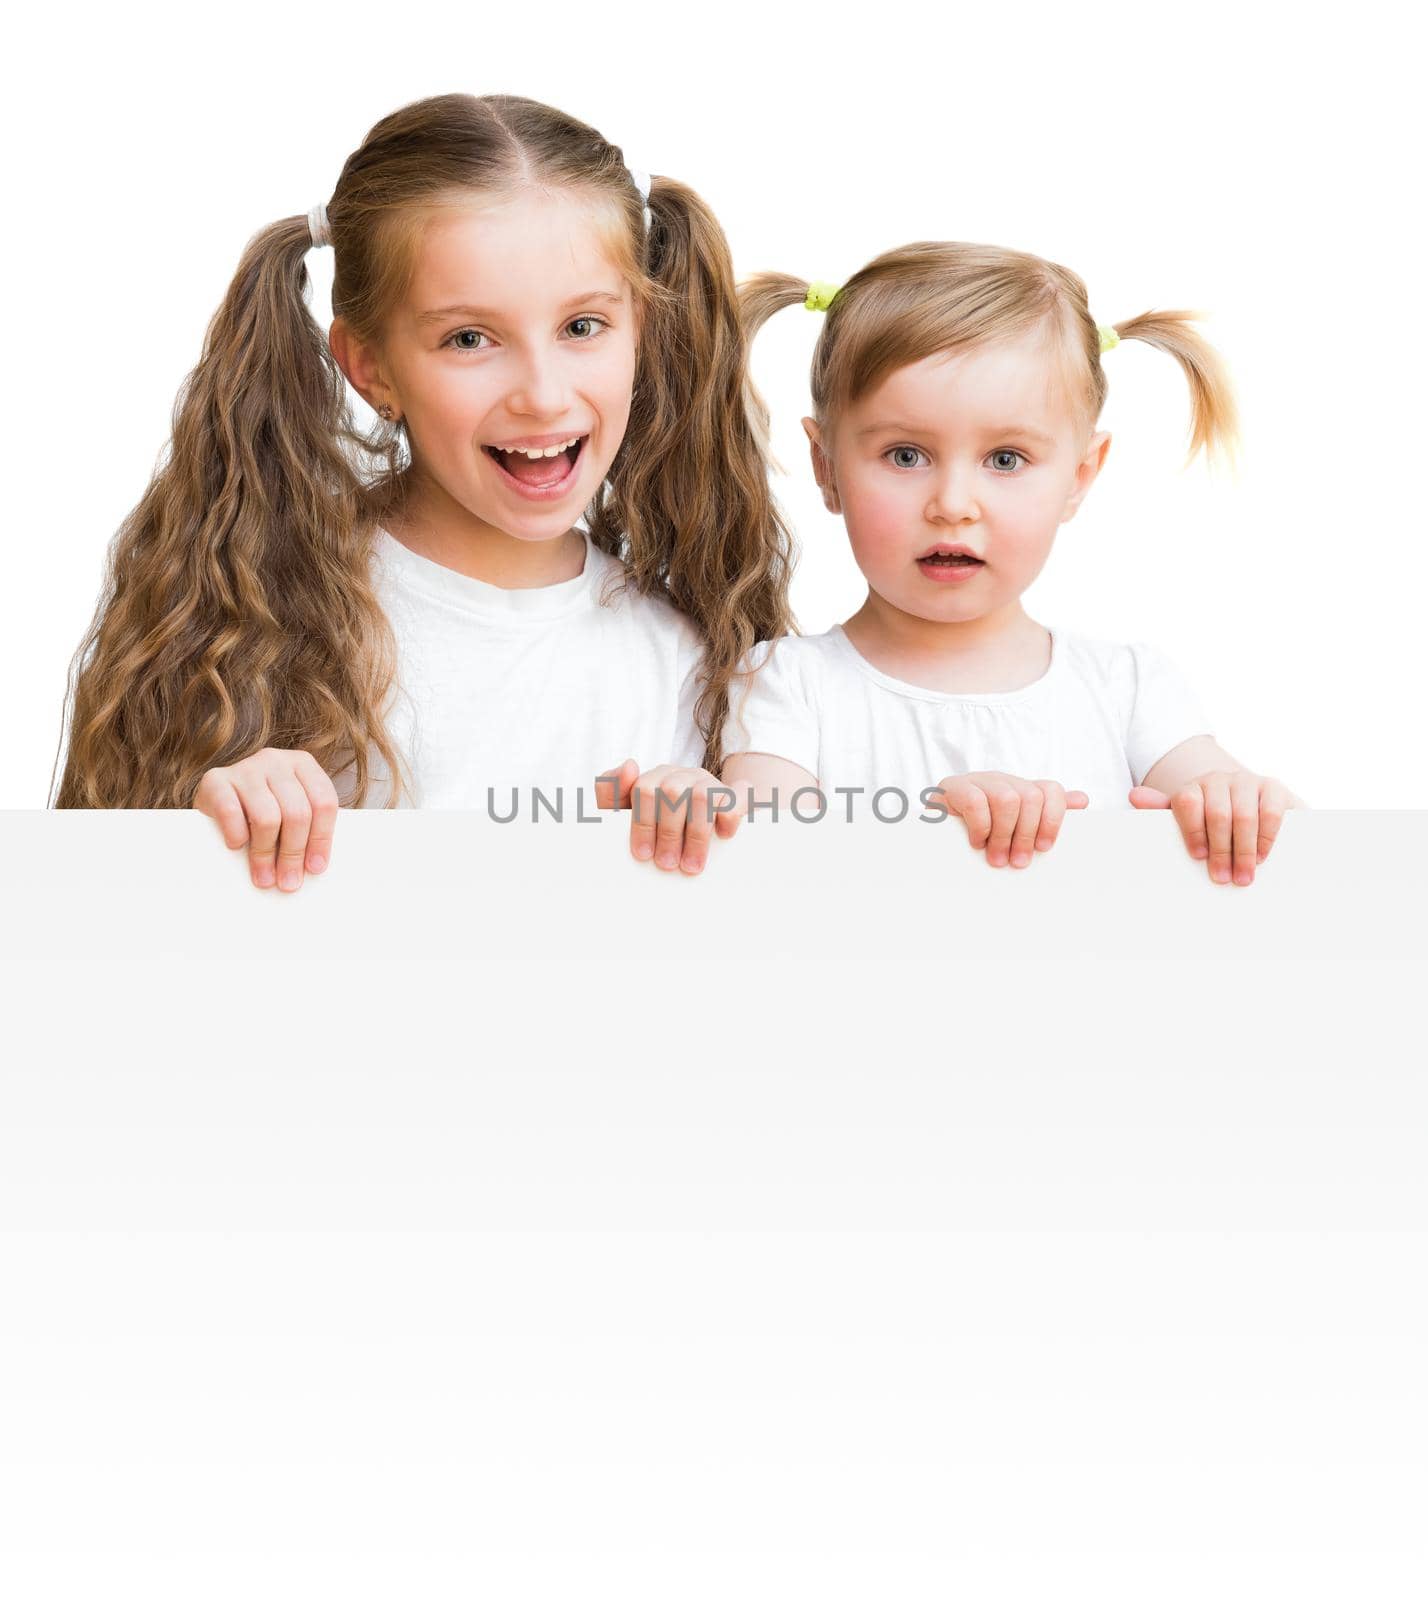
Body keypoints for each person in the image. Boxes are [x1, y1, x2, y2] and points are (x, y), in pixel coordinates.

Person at [53, 93, 793, 888]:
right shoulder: (262, 622)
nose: (542, 395)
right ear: (370, 369)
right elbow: (105, 924)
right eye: (469, 339)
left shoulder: (685, 661)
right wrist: (207, 826)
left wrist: (715, 836)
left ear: (642, 329)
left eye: (583, 327)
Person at [723, 244, 1298, 887]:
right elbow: (761, 871)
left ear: (1081, 476)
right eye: (906, 455)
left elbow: (1290, 848)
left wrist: (1238, 803)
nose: (953, 506)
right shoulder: (782, 687)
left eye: (1005, 460)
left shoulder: (1131, 691)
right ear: (826, 466)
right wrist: (935, 829)